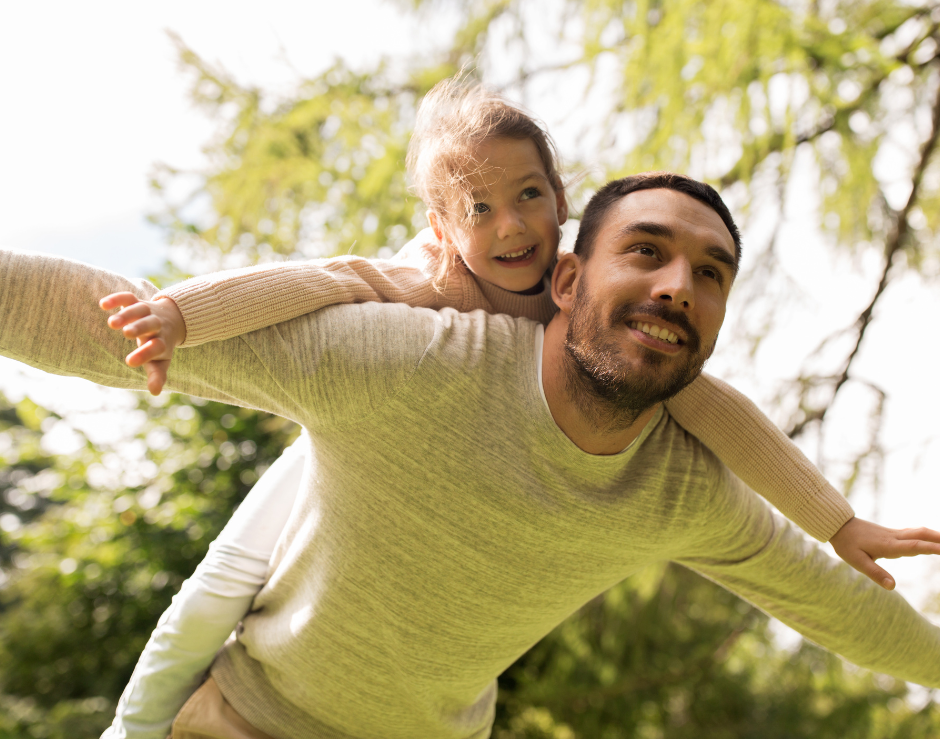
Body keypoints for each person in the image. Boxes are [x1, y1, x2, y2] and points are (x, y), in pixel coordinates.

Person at [1, 173, 939, 739]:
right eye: (645, 252)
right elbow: (108, 324)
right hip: (250, 721)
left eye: (709, 274)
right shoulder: (405, 359)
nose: (675, 287)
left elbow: (841, 609)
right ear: (566, 280)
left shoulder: (684, 488)